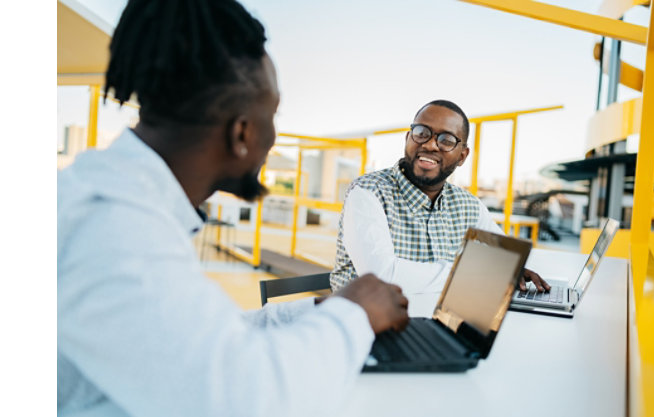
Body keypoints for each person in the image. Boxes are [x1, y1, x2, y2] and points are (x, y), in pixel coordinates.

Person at [57, 1, 409, 416]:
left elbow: (190, 343)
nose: (274, 135)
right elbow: (249, 400)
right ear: (242, 133)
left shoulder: (113, 198)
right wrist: (354, 315)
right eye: (273, 114)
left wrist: (320, 311)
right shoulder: (115, 228)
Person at [330, 100, 550, 295]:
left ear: (462, 156)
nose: (430, 144)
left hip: (438, 324)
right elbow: (382, 275)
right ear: (408, 138)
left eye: (446, 139)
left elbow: (505, 256)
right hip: (367, 327)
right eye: (421, 132)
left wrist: (512, 270)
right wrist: (472, 273)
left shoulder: (468, 205)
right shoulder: (368, 192)